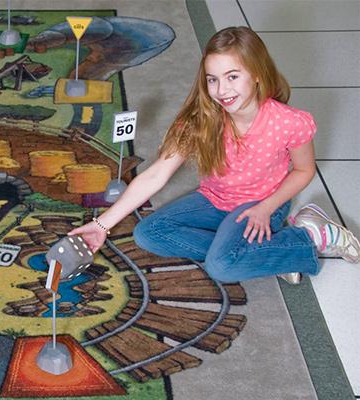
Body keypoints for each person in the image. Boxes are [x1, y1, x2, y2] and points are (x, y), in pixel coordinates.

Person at [69, 26, 359, 284]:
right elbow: (157, 174)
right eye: (212, 80)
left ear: (257, 74)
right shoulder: (201, 119)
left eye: (232, 76)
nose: (221, 90)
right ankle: (262, 254)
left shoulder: (289, 122)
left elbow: (303, 171)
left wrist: (266, 207)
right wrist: (100, 225)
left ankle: (313, 236)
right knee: (148, 234)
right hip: (214, 200)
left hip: (261, 203)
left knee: (221, 267)